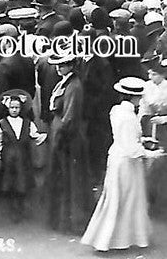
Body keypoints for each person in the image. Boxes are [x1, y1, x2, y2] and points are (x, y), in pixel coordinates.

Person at [81, 77, 151, 252]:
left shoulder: (117, 111)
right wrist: (150, 153)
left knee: (117, 199)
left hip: (117, 158)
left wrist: (141, 139)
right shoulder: (129, 117)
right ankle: (115, 240)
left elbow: (124, 137)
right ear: (134, 98)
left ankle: (116, 238)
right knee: (126, 200)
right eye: (139, 97)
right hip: (126, 163)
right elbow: (130, 148)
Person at [45, 51, 92, 235]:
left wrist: (59, 139)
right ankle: (60, 220)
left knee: (69, 179)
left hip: (68, 139)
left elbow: (70, 117)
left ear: (71, 65)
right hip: (59, 132)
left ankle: (70, 222)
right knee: (61, 178)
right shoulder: (64, 82)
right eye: (58, 65)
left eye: (63, 65)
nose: (59, 68)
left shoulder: (74, 86)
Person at [0, 90, 46, 222]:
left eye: (17, 107)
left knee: (22, 181)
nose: (14, 110)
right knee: (10, 181)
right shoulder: (2, 123)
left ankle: (20, 207)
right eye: (12, 107)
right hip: (9, 157)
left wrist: (43, 136)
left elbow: (35, 135)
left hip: (23, 156)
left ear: (21, 108)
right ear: (8, 108)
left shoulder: (27, 123)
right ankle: (12, 208)